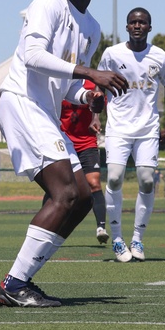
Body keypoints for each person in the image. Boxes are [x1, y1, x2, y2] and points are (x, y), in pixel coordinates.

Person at [0, 0, 128, 307]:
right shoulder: (47, 2)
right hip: (21, 102)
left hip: (44, 113)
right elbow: (33, 57)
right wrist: (90, 74)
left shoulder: (92, 28)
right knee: (65, 192)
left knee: (83, 197)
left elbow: (66, 84)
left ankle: (22, 280)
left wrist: (88, 99)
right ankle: (14, 284)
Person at [99, 8, 165, 263]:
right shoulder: (112, 54)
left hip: (147, 128)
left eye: (142, 22)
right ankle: (118, 238)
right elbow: (98, 86)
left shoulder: (161, 57)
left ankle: (137, 239)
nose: (137, 26)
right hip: (119, 127)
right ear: (127, 26)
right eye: (133, 22)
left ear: (149, 27)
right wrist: (93, 117)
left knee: (146, 180)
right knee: (114, 176)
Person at [59, 79, 109, 244]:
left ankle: (101, 227)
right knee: (58, 186)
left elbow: (100, 106)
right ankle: (52, 229)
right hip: (64, 143)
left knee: (94, 183)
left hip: (87, 143)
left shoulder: (92, 84)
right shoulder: (60, 84)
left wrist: (97, 117)